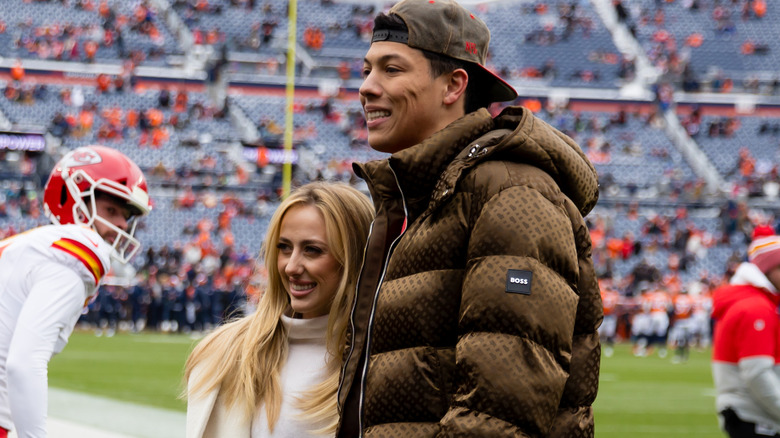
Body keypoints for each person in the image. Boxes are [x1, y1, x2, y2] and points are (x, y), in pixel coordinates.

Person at [337, 0, 602, 436]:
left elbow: (498, 411)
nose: (366, 86)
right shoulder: (420, 200)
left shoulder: (513, 195)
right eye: (367, 70)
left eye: (391, 69)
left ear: (453, 85)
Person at [184, 182, 373, 438]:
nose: (290, 267)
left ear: (356, 258)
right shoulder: (223, 352)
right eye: (284, 247)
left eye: (312, 250)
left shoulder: (382, 361)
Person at [0, 145, 152, 438]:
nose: (122, 224)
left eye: (125, 216)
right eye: (111, 210)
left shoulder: (28, 246)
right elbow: (23, 363)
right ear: (74, 199)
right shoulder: (79, 249)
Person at [712, 227, 780, 438]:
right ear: (769, 269)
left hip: (750, 416)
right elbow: (757, 373)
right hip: (756, 418)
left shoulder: (749, 303)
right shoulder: (756, 308)